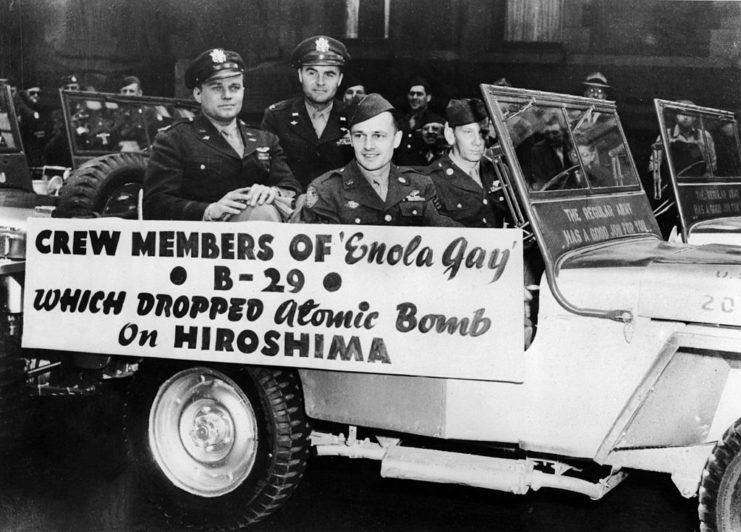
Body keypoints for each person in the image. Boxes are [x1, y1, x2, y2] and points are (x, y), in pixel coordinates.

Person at [144, 48, 301, 221]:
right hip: (202, 239)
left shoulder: (264, 140)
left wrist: (272, 192)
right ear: (198, 94)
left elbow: (291, 187)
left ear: (243, 91)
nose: (227, 96)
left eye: (234, 87)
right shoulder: (175, 140)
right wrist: (209, 210)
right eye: (217, 88)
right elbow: (155, 204)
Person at [301, 93, 458, 226]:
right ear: (350, 139)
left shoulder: (420, 186)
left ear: (396, 139)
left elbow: (450, 237)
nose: (368, 145)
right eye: (359, 135)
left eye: (378, 135)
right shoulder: (326, 191)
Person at [261, 35, 354, 190]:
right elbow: (268, 171)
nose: (320, 82)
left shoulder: (354, 117)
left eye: (329, 74)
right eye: (312, 73)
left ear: (340, 79)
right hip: (292, 203)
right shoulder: (277, 117)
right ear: (300, 75)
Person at [424, 98, 509, 228]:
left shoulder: (500, 171)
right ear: (450, 134)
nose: (478, 141)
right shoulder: (430, 181)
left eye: (483, 132)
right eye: (468, 132)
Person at [649, 100, 717, 179]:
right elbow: (655, 162)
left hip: (697, 181)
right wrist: (656, 174)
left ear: (694, 117)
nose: (685, 117)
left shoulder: (704, 136)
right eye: (681, 113)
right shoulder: (665, 134)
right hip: (672, 182)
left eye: (689, 114)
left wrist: (708, 176)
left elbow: (712, 164)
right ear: (676, 116)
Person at [393, 76, 444, 167]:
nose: (414, 97)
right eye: (411, 94)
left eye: (419, 94)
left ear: (428, 98)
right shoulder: (400, 121)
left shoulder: (437, 121)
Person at [522, 113, 575, 190]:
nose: (551, 137)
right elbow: (540, 179)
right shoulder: (537, 151)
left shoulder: (572, 145)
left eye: (555, 133)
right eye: (547, 133)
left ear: (563, 132)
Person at [17, 83, 49, 166]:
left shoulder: (40, 110)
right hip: (28, 150)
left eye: (39, 93)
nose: (36, 95)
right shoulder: (23, 109)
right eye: (32, 93)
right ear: (24, 94)